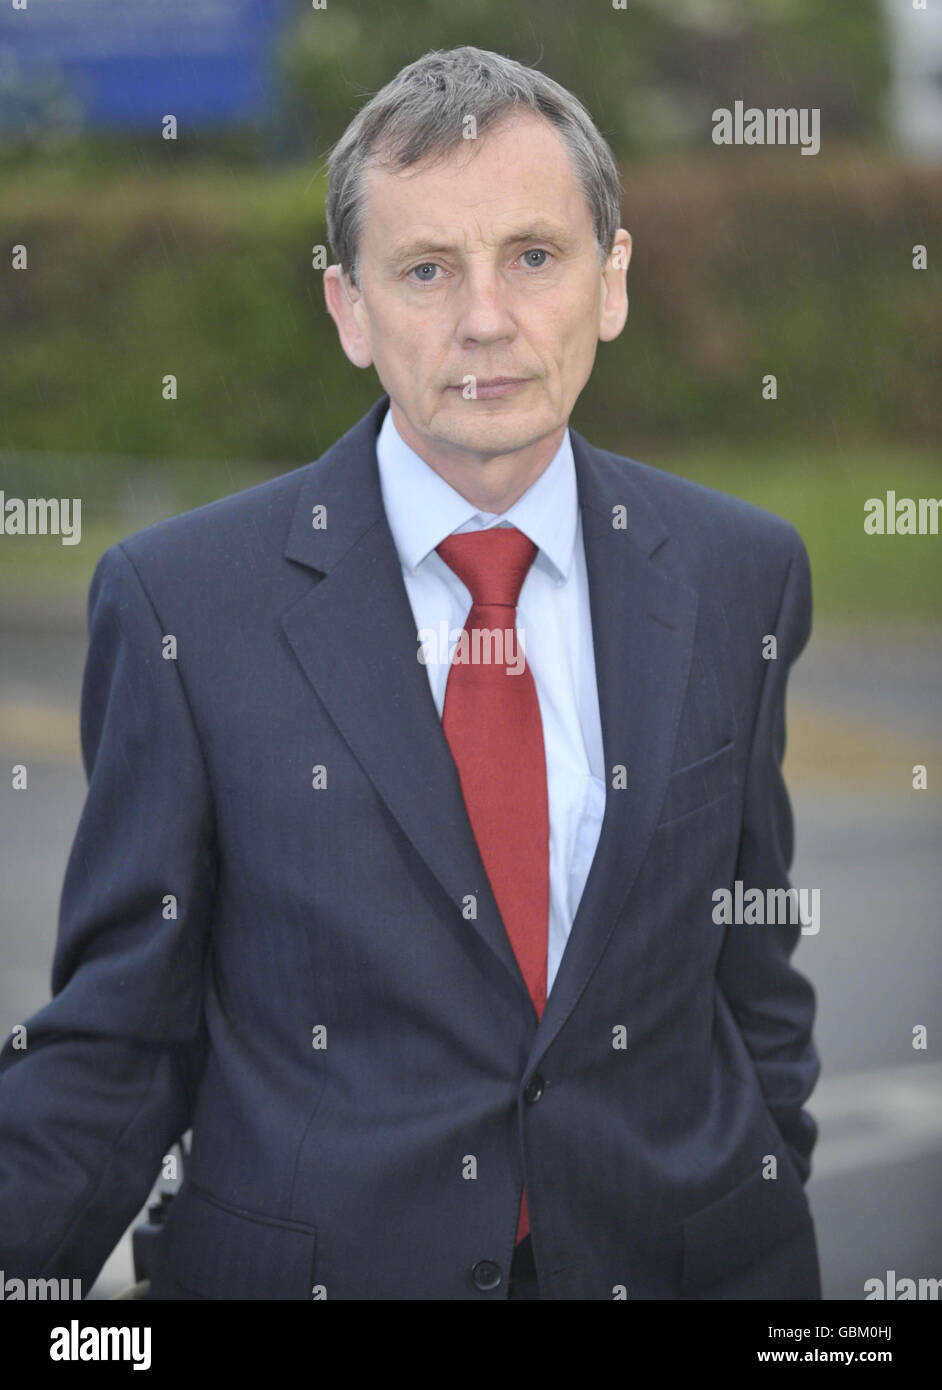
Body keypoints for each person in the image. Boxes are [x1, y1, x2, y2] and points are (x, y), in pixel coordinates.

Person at [0, 45, 820, 1300]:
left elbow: (751, 960)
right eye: (427, 269)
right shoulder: (184, 605)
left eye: (534, 257)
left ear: (612, 281)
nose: (485, 319)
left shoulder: (739, 575)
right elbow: (121, 1037)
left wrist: (762, 1186)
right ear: (348, 309)